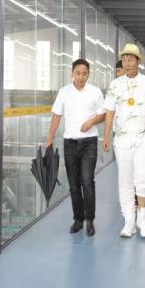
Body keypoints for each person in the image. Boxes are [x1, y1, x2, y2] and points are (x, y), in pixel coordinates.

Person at [102, 43, 145, 238]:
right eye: (124, 59)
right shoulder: (115, 85)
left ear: (138, 62)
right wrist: (106, 136)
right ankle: (129, 220)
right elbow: (109, 112)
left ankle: (142, 218)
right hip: (122, 139)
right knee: (125, 180)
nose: (126, 63)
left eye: (130, 59)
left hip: (143, 137)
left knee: (142, 177)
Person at [45, 58, 105, 236]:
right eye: (78, 73)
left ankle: (90, 220)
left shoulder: (95, 92)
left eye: (84, 74)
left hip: (89, 143)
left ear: (88, 74)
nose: (81, 77)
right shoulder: (64, 92)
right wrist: (49, 139)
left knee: (87, 180)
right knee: (73, 184)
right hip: (70, 144)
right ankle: (78, 219)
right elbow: (56, 116)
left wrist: (91, 122)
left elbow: (103, 114)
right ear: (72, 73)